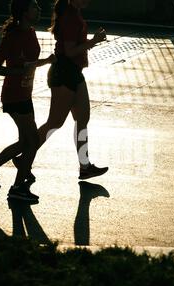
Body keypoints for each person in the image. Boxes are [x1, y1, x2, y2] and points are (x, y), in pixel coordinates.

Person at [14, 0, 109, 180]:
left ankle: (85, 165)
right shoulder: (70, 17)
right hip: (65, 72)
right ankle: (24, 157)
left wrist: (92, 42)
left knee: (82, 118)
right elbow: (70, 51)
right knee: (55, 122)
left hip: (73, 72)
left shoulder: (73, 13)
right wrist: (93, 41)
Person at [0, 0, 55, 201]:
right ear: (24, 12)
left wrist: (47, 61)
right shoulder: (13, 36)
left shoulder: (30, 32)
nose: (38, 8)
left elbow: (29, 62)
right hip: (14, 95)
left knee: (25, 141)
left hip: (24, 94)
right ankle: (18, 187)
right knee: (32, 141)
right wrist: (17, 71)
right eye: (34, 6)